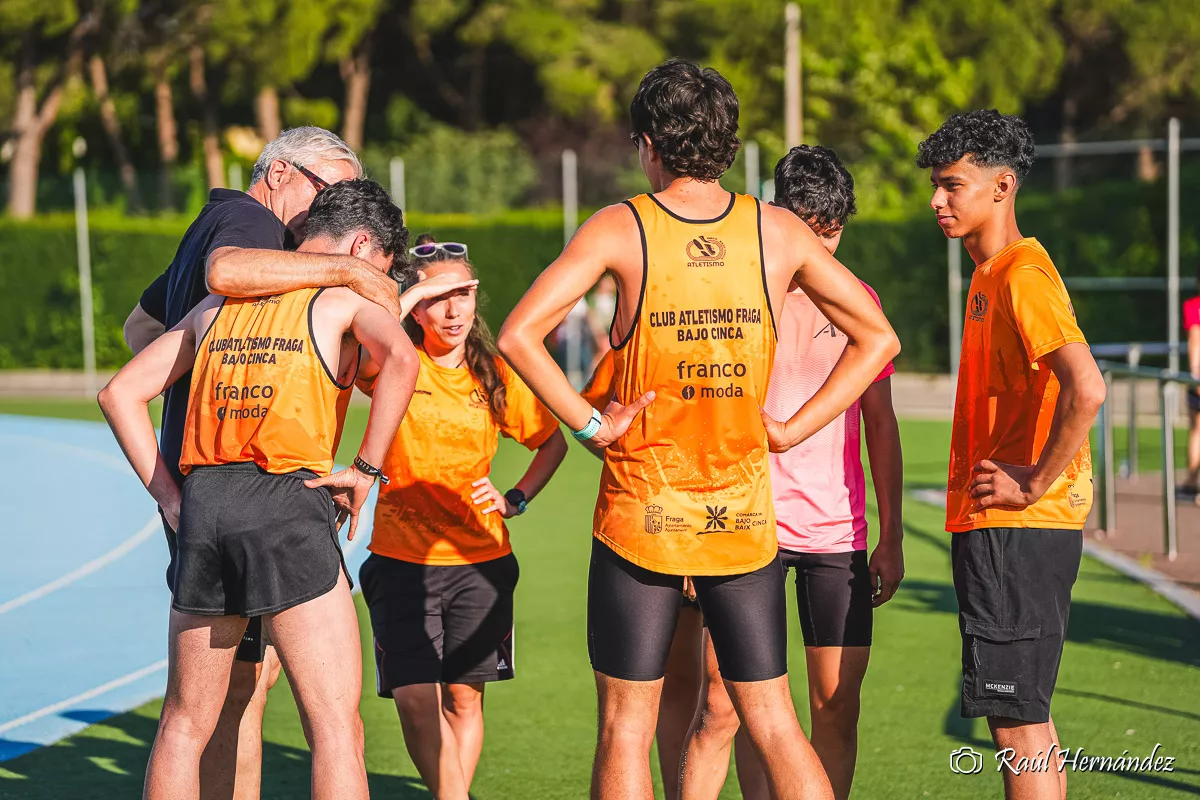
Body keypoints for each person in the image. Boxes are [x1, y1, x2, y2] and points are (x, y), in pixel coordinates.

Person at [497, 58, 899, 800]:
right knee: (774, 720)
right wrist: (787, 430)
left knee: (626, 726)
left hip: (641, 516)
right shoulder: (775, 230)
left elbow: (519, 334)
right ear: (727, 142)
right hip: (744, 518)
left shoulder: (621, 227)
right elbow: (879, 338)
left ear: (647, 144)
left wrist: (592, 425)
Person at [98, 178, 421, 800]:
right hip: (286, 501)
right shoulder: (338, 303)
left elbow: (119, 393)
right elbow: (402, 362)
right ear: (359, 245)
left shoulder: (214, 308)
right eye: (377, 270)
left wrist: (168, 495)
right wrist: (366, 470)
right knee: (334, 729)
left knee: (185, 721)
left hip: (207, 504)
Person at [680, 145, 905, 800]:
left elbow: (882, 424)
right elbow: (702, 418)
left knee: (835, 705)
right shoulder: (732, 295)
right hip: (744, 527)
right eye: (808, 231)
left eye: (831, 233)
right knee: (723, 706)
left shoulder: (860, 299)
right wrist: (698, 532)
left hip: (838, 535)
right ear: (775, 217)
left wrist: (890, 535)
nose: (820, 249)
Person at [917, 110, 1106, 800]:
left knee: (1016, 724)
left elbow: (1087, 388)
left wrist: (1032, 483)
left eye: (952, 185)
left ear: (1003, 187)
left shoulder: (1021, 274)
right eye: (935, 186)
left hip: (1019, 530)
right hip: (1006, 530)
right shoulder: (991, 272)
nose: (938, 200)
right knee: (1025, 718)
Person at [359, 238, 569, 800]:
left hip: (482, 562)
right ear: (416, 304)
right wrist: (407, 296)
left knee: (463, 699)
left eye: (463, 296)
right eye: (437, 298)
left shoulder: (494, 373)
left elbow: (551, 443)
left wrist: (515, 498)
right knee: (414, 700)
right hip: (401, 560)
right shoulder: (391, 361)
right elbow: (352, 349)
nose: (453, 312)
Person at [581, 347, 704, 800]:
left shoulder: (733, 330)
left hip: (723, 535)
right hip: (644, 533)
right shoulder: (627, 347)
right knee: (638, 712)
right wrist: (634, 465)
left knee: (719, 707)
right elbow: (589, 419)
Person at [1181, 285, 1200, 499]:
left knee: (1197, 429)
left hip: (1198, 377)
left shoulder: (1194, 306)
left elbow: (1195, 339)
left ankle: (1192, 481)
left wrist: (1195, 373)